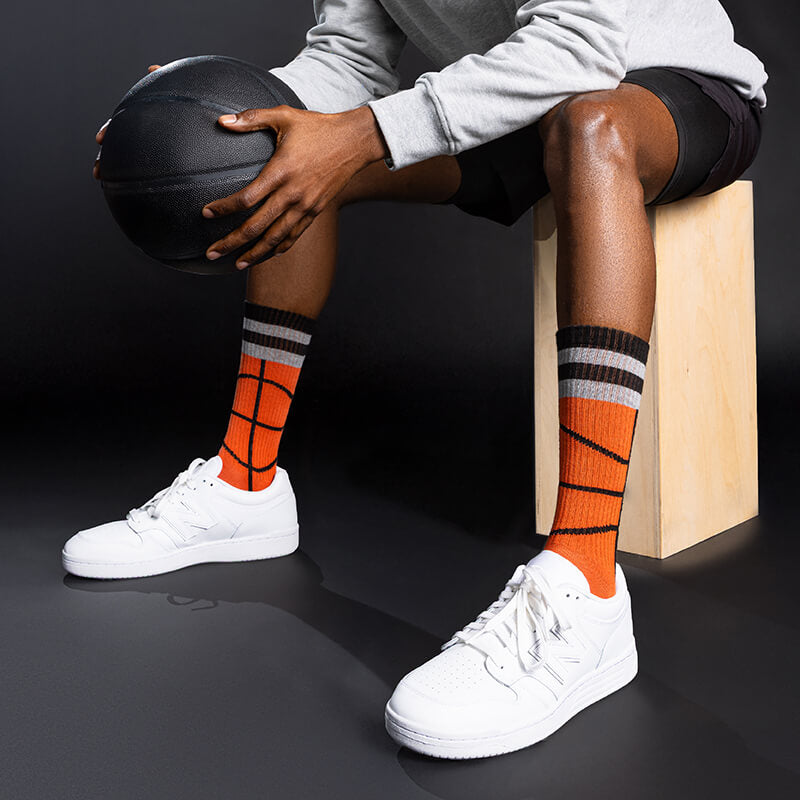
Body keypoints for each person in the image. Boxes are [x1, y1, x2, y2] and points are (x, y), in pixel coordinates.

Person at [68, 0, 767, 759]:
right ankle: (245, 482)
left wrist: (362, 133)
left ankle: (585, 584)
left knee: (592, 125)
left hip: (672, 93)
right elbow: (347, 60)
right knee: (282, 154)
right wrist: (208, 117)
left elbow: (581, 46)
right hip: (524, 107)